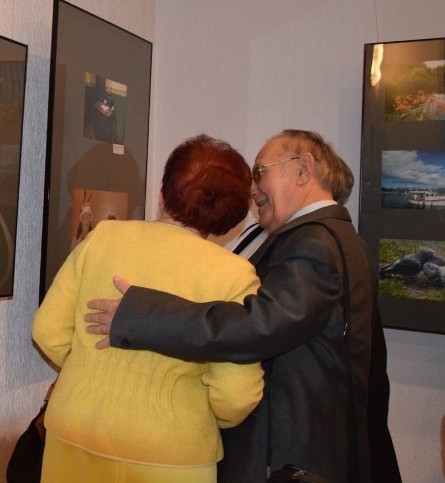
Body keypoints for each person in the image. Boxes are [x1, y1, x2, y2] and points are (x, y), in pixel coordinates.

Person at [85, 129, 401, 482]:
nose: (252, 190)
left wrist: (141, 314)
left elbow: (256, 326)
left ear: (303, 169)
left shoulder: (314, 243)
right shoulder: (341, 239)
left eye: (260, 172)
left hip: (285, 458)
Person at [32, 135, 265, 482]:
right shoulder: (233, 276)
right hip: (171, 453)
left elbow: (47, 331)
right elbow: (236, 395)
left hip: (75, 433)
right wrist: (193, 412)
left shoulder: (103, 238)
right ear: (232, 219)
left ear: (162, 193)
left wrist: (91, 373)